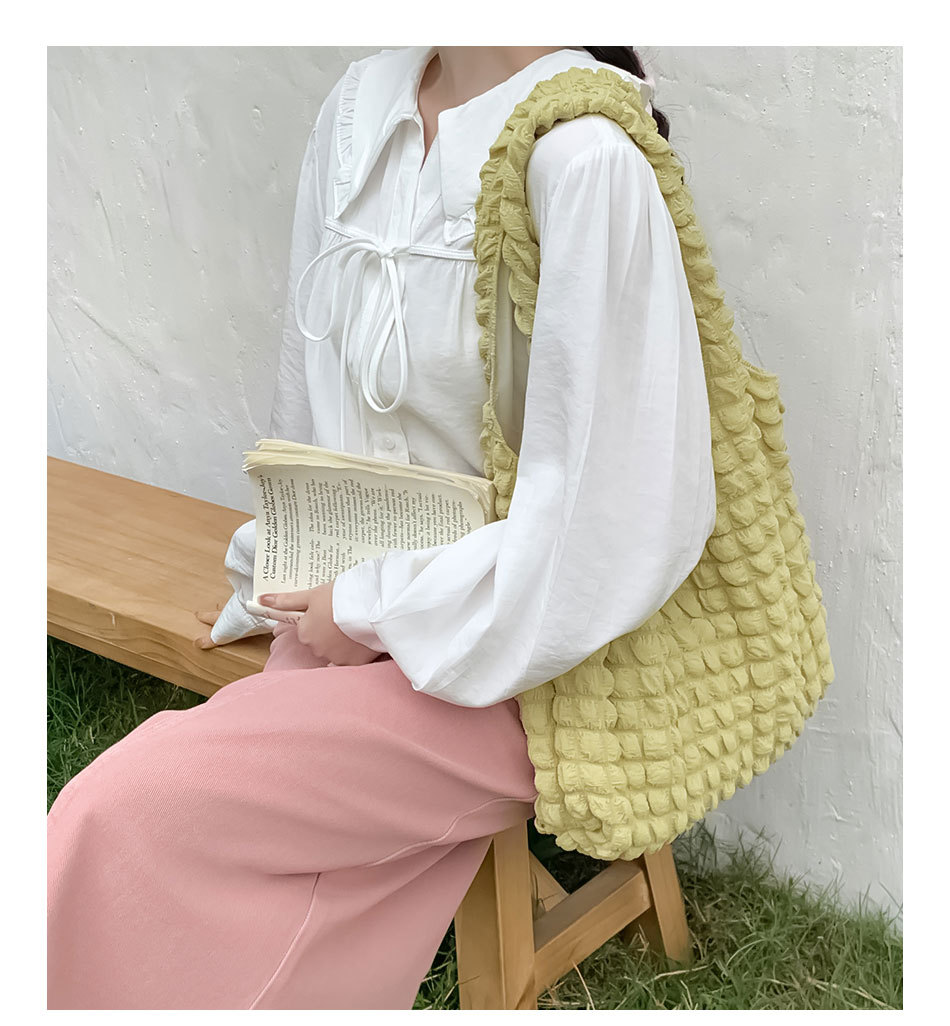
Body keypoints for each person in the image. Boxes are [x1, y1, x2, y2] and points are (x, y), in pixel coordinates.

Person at [47, 45, 716, 1009]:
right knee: (186, 858)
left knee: (122, 814)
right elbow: (309, 398)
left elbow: (613, 520)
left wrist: (368, 606)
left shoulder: (585, 158)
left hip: (533, 663)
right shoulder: (362, 108)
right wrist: (290, 570)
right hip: (356, 619)